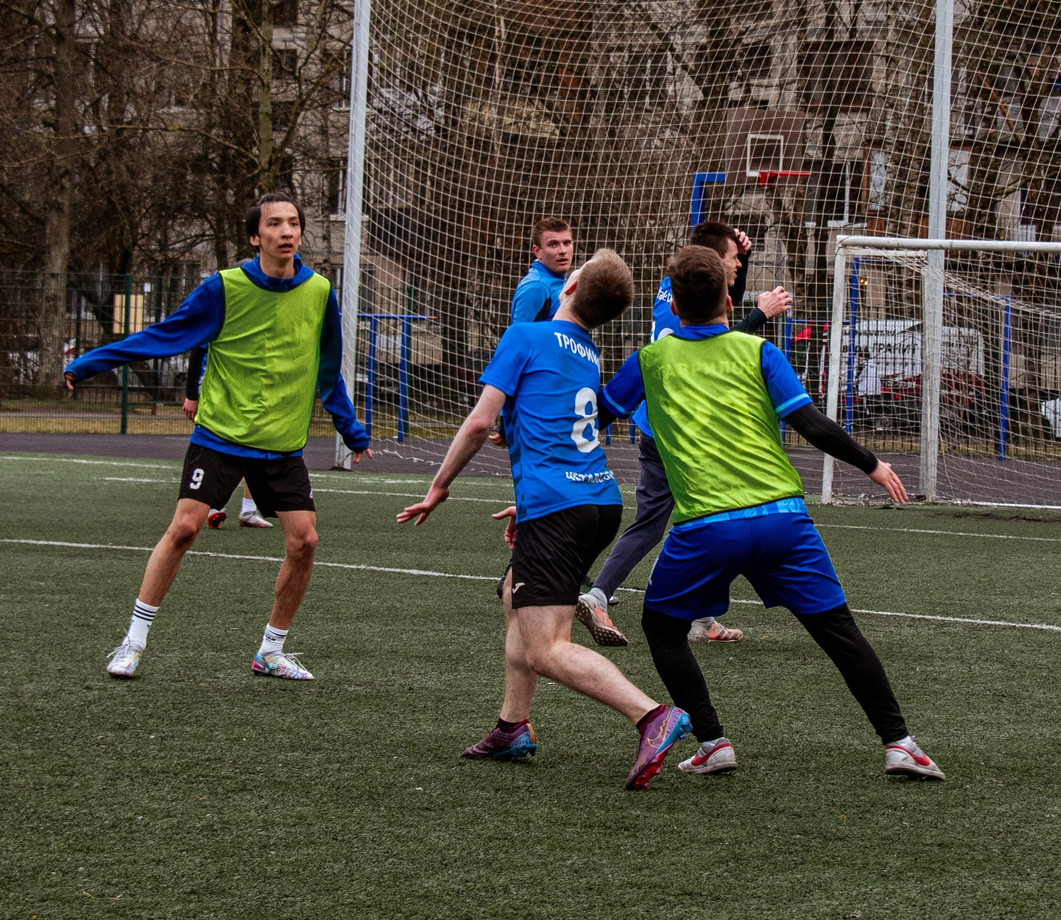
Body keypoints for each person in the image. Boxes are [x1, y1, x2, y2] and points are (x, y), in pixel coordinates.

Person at [602, 242, 946, 783]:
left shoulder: (648, 361)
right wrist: (872, 464)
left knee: (661, 628)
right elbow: (812, 425)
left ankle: (713, 742)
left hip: (707, 527)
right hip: (783, 519)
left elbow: (593, 416)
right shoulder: (759, 351)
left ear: (674, 306)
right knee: (838, 630)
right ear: (728, 300)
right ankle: (900, 744)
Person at [397, 250, 693, 790]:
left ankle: (651, 716)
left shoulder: (525, 336)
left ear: (570, 286)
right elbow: (551, 425)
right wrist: (530, 502)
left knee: (545, 648)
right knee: (516, 596)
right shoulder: (587, 351)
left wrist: (439, 487)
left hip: (560, 506)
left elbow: (479, 422)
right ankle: (511, 727)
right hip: (597, 501)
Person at [64, 191, 371, 679]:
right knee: (185, 529)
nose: (287, 231)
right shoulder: (223, 288)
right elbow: (162, 335)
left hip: (281, 444)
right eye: (274, 224)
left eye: (293, 223)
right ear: (255, 237)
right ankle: (132, 642)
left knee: (305, 541)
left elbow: (329, 369)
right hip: (220, 435)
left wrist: (350, 428)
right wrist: (87, 364)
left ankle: (270, 651)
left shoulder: (319, 292)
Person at [578, 219, 792, 648]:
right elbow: (713, 346)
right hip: (683, 430)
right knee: (720, 518)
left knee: (684, 521)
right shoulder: (685, 303)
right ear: (710, 263)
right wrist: (760, 315)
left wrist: (744, 257)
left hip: (662, 426)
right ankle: (618, 598)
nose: (737, 266)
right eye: (733, 259)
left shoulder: (676, 287)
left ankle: (686, 614)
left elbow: (719, 313)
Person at [184, 347, 273, 528]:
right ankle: (212, 506)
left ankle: (247, 510)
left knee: (252, 447)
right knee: (216, 448)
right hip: (216, 394)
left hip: (242, 393)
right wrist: (191, 395)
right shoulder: (216, 331)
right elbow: (197, 352)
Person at [510, 218, 577, 325]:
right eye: (553, 244)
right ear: (537, 252)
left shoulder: (556, 279)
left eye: (567, 243)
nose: (563, 251)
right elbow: (520, 334)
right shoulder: (536, 287)